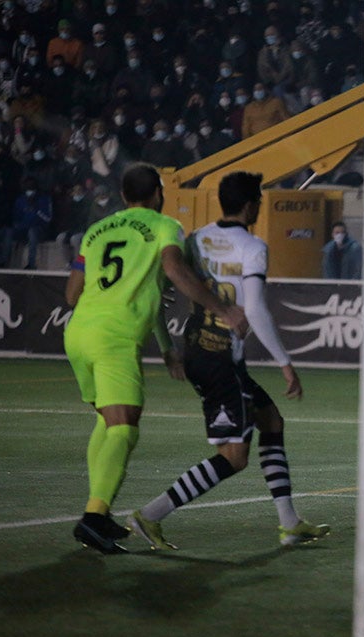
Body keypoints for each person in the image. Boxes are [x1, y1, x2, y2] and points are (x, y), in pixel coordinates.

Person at [127, 171, 330, 549]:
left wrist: (167, 347)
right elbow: (253, 309)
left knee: (271, 421)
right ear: (252, 205)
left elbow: (160, 291)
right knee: (234, 458)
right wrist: (285, 363)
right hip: (220, 360)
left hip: (198, 350)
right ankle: (149, 515)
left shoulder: (197, 238)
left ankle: (289, 523)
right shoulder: (253, 247)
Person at [64, 162, 248, 554]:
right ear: (159, 195)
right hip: (114, 339)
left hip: (78, 332)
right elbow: (175, 270)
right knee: (125, 426)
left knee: (107, 420)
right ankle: (94, 518)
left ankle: (98, 512)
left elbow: (72, 292)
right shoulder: (166, 227)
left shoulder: (96, 231)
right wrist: (223, 308)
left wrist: (166, 348)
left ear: (123, 196)